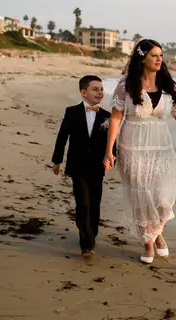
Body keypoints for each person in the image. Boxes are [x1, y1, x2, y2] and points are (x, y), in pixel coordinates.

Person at [104, 39, 176, 264]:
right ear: (142, 57)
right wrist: (109, 150)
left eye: (160, 55)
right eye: (154, 55)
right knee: (141, 197)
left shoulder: (168, 84)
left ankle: (156, 232)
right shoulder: (126, 84)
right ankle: (149, 242)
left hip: (161, 146)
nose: (159, 59)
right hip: (133, 145)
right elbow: (116, 117)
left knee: (164, 195)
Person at [51, 75, 113, 258]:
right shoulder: (71, 112)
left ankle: (92, 232)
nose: (100, 93)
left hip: (97, 166)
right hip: (77, 166)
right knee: (83, 204)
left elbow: (112, 142)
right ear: (83, 92)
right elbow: (62, 138)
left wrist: (112, 158)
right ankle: (86, 243)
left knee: (95, 203)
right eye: (95, 89)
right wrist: (57, 161)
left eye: (101, 89)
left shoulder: (107, 116)